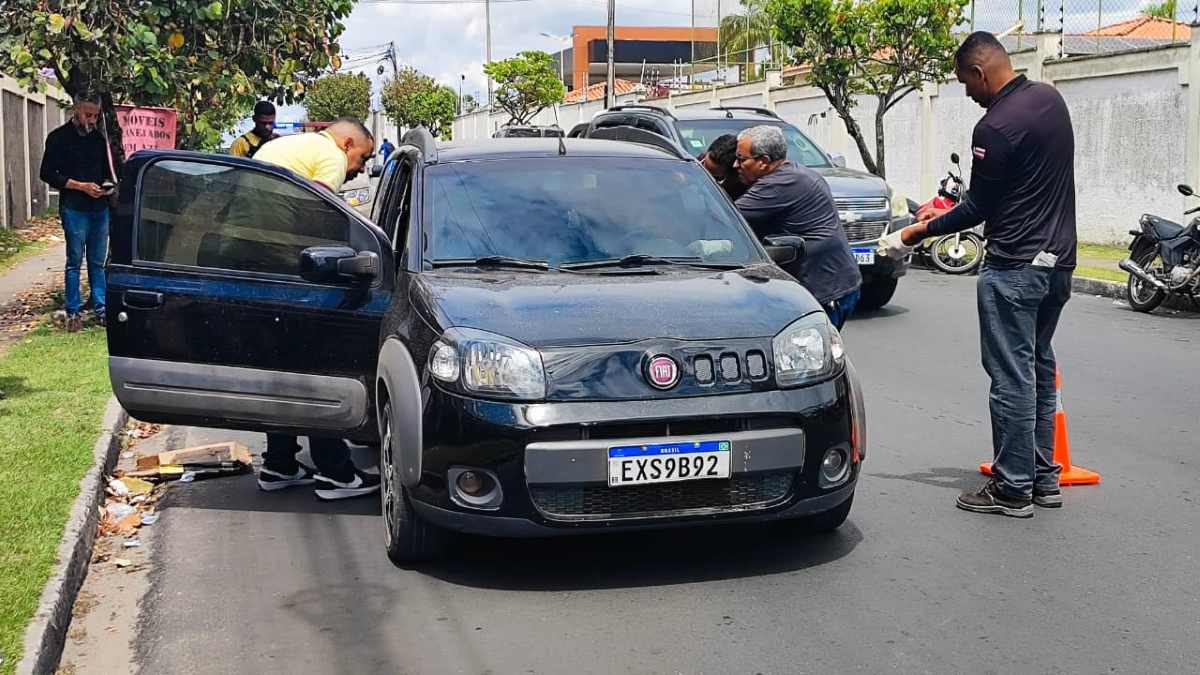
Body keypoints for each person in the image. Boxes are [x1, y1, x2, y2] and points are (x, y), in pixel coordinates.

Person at [879, 31, 1077, 518]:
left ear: (979, 72)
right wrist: (945, 214)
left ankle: (1012, 488)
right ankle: (1043, 478)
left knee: (1011, 376)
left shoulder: (994, 127)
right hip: (1058, 263)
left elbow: (979, 207)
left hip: (1014, 265)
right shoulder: (1050, 101)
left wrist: (918, 231)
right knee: (1038, 367)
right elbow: (1019, 188)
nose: (967, 94)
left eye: (965, 83)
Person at [251, 117, 379, 500]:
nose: (360, 170)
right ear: (347, 144)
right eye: (362, 157)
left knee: (285, 371)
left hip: (256, 265)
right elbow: (321, 213)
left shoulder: (289, 147)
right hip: (288, 271)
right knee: (318, 373)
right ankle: (335, 472)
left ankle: (280, 464)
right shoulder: (330, 156)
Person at [732, 125, 862, 330]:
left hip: (824, 291)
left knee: (807, 348)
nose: (735, 165)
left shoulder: (780, 184)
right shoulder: (797, 172)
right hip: (833, 282)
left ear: (763, 161)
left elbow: (725, 220)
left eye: (741, 159)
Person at [40, 93, 113, 332]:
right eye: (87, 115)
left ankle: (101, 309)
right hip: (74, 207)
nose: (91, 120)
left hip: (99, 208)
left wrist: (106, 187)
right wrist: (81, 186)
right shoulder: (58, 138)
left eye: (95, 116)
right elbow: (47, 173)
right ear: (76, 110)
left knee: (97, 262)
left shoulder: (98, 140)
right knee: (74, 261)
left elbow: (107, 172)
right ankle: (73, 311)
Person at [700, 134, 748, 200]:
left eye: (715, 177)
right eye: (703, 165)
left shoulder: (741, 189)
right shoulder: (691, 164)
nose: (706, 176)